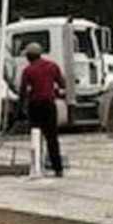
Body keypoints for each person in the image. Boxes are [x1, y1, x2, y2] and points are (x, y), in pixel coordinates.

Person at [18, 41, 66, 177]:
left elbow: (23, 92)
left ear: (29, 56)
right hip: (49, 106)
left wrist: (20, 110)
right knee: (52, 137)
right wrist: (54, 91)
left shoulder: (28, 71)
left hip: (35, 107)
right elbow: (62, 84)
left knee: (36, 137)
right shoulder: (52, 66)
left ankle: (37, 167)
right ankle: (58, 169)